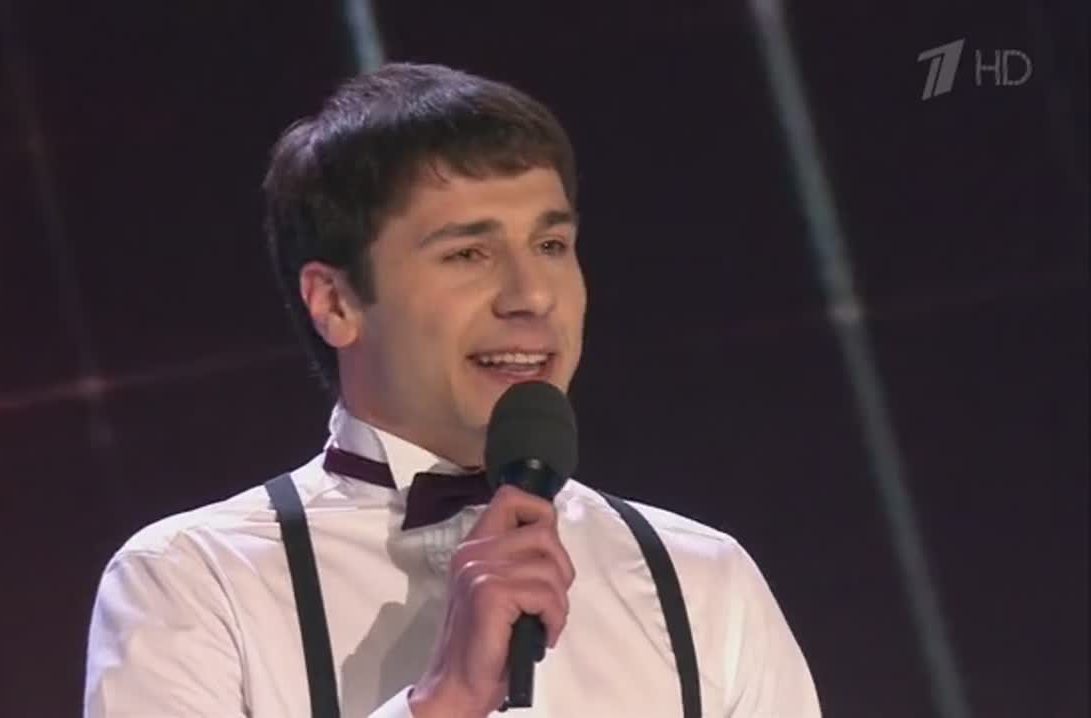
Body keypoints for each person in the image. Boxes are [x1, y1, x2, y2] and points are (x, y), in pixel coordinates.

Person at [84, 62, 821, 717]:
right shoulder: (195, 581)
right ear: (334, 302)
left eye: (551, 245)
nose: (532, 296)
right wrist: (443, 704)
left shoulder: (699, 581)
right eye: (469, 253)